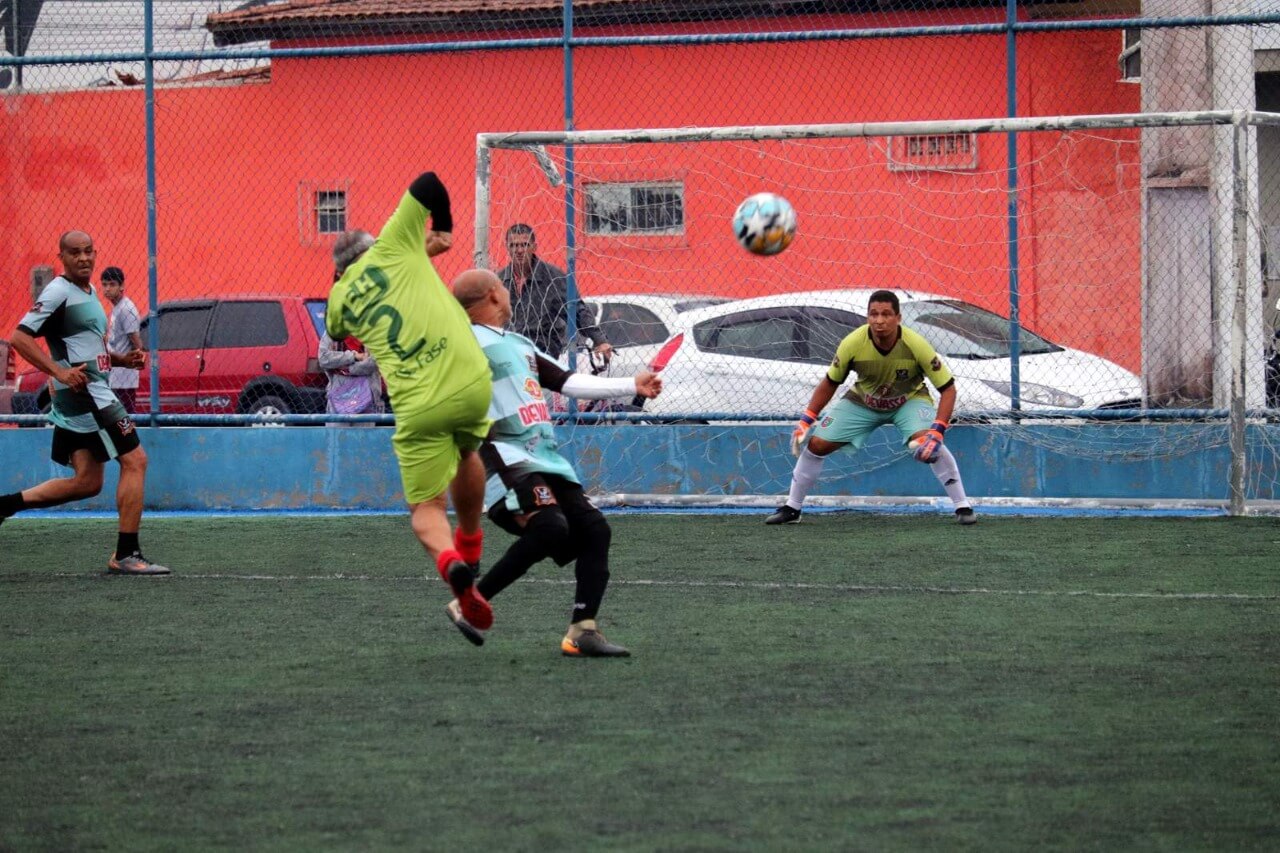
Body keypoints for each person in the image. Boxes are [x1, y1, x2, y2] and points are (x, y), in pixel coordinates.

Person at [452, 268, 663, 656]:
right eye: (503, 287)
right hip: (504, 456)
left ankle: (582, 631)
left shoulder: (517, 343)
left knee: (594, 530)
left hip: (545, 458)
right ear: (494, 296)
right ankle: (469, 602)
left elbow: (566, 382)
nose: (509, 293)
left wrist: (630, 385)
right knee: (549, 528)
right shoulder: (462, 341)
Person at [324, 175, 495, 631]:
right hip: (471, 377)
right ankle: (473, 546)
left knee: (426, 508)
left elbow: (337, 328)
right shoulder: (397, 244)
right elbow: (431, 182)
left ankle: (451, 564)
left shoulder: (339, 297)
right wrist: (442, 232)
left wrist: (344, 279)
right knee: (467, 451)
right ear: (374, 243)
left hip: (418, 404)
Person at [0, 231, 170, 574]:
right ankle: (126, 554)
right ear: (61, 257)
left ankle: (4, 505)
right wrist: (60, 374)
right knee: (135, 460)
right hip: (87, 392)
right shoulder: (58, 291)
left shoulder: (90, 293)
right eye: (75, 253)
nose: (84, 258)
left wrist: (123, 360)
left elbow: (91, 350)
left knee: (87, 482)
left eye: (89, 251)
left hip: (88, 391)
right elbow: (20, 337)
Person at [765, 289, 976, 526]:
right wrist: (807, 419)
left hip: (909, 400)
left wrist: (938, 430)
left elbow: (948, 389)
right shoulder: (852, 343)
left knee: (927, 442)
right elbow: (830, 382)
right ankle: (792, 508)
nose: (879, 320)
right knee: (816, 444)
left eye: (886, 314)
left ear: (898, 318)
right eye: (873, 314)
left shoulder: (916, 345)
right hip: (863, 402)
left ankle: (962, 506)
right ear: (867, 317)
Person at [496, 223, 613, 362]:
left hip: (543, 351)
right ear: (507, 247)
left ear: (534, 247)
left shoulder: (553, 277)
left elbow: (577, 309)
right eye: (514, 245)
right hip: (510, 353)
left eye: (525, 245)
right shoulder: (499, 280)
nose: (519, 250)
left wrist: (599, 339)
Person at [101, 266, 143, 414]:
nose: (107, 289)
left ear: (122, 286)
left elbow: (136, 342)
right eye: (105, 285)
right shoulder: (117, 308)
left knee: (125, 417)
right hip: (114, 374)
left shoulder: (126, 308)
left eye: (112, 284)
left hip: (124, 378)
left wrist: (136, 361)